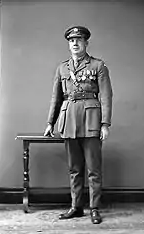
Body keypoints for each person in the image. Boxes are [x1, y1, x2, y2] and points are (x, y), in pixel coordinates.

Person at [44, 26, 113, 224]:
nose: (75, 43)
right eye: (71, 41)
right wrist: (50, 122)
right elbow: (55, 98)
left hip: (91, 120)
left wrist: (105, 123)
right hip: (68, 121)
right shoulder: (62, 68)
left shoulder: (98, 66)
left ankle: (94, 208)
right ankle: (76, 207)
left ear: (86, 43)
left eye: (79, 40)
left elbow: (106, 96)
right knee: (74, 168)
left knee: (93, 168)